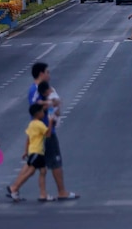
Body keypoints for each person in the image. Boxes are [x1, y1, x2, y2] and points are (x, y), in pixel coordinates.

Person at [26, 63, 79, 201]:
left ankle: (16, 188)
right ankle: (62, 191)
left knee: (37, 166)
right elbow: (35, 108)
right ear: (41, 74)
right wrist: (51, 106)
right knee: (54, 162)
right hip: (46, 130)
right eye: (47, 72)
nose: (49, 75)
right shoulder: (37, 90)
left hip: (44, 129)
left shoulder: (40, 89)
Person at [6, 103, 51, 202]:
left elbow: (28, 139)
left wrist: (26, 151)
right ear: (38, 113)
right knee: (31, 171)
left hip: (33, 151)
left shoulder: (31, 124)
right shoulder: (40, 124)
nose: (44, 113)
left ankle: (43, 194)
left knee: (43, 171)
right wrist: (51, 121)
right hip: (38, 151)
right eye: (42, 111)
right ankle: (14, 187)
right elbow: (48, 134)